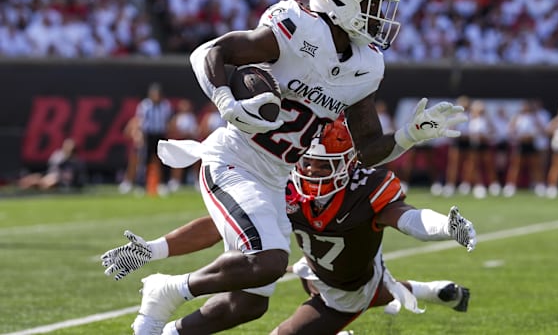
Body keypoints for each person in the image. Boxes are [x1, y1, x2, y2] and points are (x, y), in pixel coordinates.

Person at [118, 0, 467, 335]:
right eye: (371, 4)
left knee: (248, 302)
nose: (379, 16)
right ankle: (169, 289)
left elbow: (366, 150)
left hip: (278, 176)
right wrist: (225, 101)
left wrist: (409, 136)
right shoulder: (298, 27)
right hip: (235, 158)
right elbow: (210, 52)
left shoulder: (366, 66)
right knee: (268, 261)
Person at [102, 119, 476, 334]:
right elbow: (221, 225)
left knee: (361, 294)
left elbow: (407, 217)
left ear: (348, 164)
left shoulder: (367, 188)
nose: (312, 171)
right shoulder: (285, 184)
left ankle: (427, 290)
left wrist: (447, 226)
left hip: (345, 290)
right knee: (250, 297)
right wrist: (154, 248)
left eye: (323, 164)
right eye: (307, 163)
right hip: (315, 269)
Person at [135, 82, 174, 196]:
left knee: (163, 160)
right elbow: (140, 121)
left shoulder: (165, 105)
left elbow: (168, 120)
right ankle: (141, 185)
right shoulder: (145, 105)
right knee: (145, 160)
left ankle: (163, 184)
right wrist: (140, 136)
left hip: (161, 135)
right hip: (148, 134)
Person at [18, 138, 86, 191]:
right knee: (34, 178)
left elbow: (76, 178)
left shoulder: (77, 162)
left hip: (61, 180)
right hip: (52, 175)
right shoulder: (58, 155)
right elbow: (52, 168)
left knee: (46, 182)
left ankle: (36, 186)